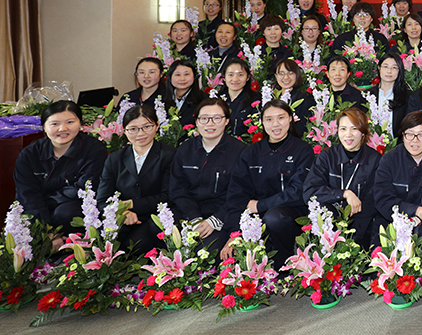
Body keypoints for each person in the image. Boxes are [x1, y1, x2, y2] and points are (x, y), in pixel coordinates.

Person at [220, 100, 313, 264]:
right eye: (269, 119)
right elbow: (237, 195)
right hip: (254, 216)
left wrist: (260, 206)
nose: (275, 124)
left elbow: (298, 192)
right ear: (262, 122)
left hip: (289, 215)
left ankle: (284, 264)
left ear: (290, 119)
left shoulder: (303, 150)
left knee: (274, 218)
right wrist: (234, 234)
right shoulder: (250, 153)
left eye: (281, 118)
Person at [14, 101, 107, 236]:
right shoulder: (29, 154)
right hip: (40, 211)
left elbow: (86, 188)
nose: (63, 129)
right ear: (44, 127)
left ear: (80, 124)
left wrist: (48, 202)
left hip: (74, 210)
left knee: (65, 212)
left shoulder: (94, 149)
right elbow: (27, 194)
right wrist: (47, 233)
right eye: (54, 124)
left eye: (70, 122)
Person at [96, 104, 176, 255]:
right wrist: (122, 212)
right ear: (124, 131)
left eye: (147, 127)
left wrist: (132, 204)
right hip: (121, 218)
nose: (140, 133)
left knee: (135, 245)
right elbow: (102, 199)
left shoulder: (170, 155)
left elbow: (169, 196)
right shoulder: (115, 159)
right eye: (133, 129)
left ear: (157, 125)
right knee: (103, 244)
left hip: (154, 217)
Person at [169, 98, 247, 251]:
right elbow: (177, 189)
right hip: (189, 214)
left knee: (206, 251)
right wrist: (194, 219)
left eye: (217, 118)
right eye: (204, 118)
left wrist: (214, 221)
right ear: (196, 122)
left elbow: (240, 194)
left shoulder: (240, 152)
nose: (210, 124)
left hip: (221, 217)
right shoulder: (185, 149)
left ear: (226, 121)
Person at [303, 107, 383, 247]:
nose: (348, 135)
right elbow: (310, 192)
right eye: (343, 129)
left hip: (362, 226)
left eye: (354, 129)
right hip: (329, 223)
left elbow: (372, 202)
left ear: (363, 132)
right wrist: (344, 193)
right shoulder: (327, 157)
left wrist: (351, 239)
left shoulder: (375, 160)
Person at [373, 110, 422, 247]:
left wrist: (420, 216)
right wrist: (416, 211)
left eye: (421, 135)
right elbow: (383, 198)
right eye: (409, 134)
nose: (415, 140)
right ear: (403, 136)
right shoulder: (390, 160)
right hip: (394, 217)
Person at [217, 57, 259, 140]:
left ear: (248, 77)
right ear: (224, 77)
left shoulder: (256, 100)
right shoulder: (216, 99)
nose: (235, 79)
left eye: (240, 75)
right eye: (230, 75)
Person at [274, 58, 318, 126]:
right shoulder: (271, 99)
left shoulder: (306, 101)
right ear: (276, 76)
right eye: (281, 73)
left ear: (297, 75)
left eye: (290, 73)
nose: (286, 77)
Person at [375, 54, 409, 139]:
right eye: (385, 67)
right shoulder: (368, 95)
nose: (389, 71)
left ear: (399, 70)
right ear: (379, 68)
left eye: (394, 67)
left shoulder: (407, 96)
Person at [164, 58, 206, 128]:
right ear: (170, 77)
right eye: (178, 75)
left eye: (186, 74)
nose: (182, 79)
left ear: (194, 76)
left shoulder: (204, 100)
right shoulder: (161, 100)